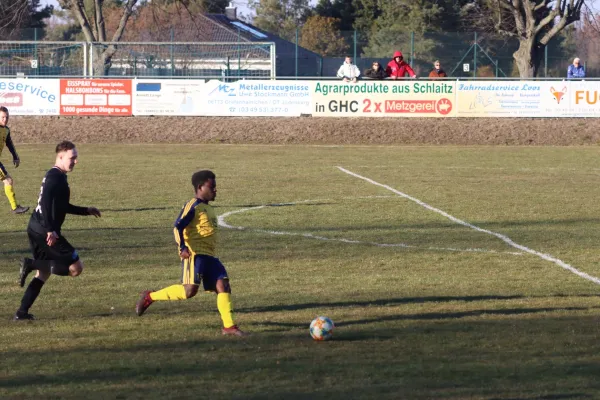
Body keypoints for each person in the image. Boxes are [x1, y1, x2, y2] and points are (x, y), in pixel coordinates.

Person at [135, 170, 248, 337]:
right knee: (189, 291)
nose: (215, 190)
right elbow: (177, 227)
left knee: (223, 285)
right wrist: (182, 248)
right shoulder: (193, 206)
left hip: (209, 256)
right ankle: (150, 296)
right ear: (200, 187)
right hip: (194, 254)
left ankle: (229, 326)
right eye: (212, 186)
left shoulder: (207, 208)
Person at [14, 141, 101, 321]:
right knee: (76, 268)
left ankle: (21, 313)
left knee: (43, 273)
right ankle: (30, 263)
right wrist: (50, 230)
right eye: (72, 158)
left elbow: (61, 206)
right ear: (60, 157)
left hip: (36, 228)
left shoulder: (57, 175)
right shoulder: (55, 177)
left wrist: (86, 210)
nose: (75, 161)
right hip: (43, 230)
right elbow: (45, 202)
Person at [0, 106, 28, 214]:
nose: (5, 120)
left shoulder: (6, 130)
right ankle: (15, 208)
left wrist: (15, 156)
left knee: (8, 180)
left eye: (6, 117)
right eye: (2, 117)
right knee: (8, 180)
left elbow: (9, 144)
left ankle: (15, 207)